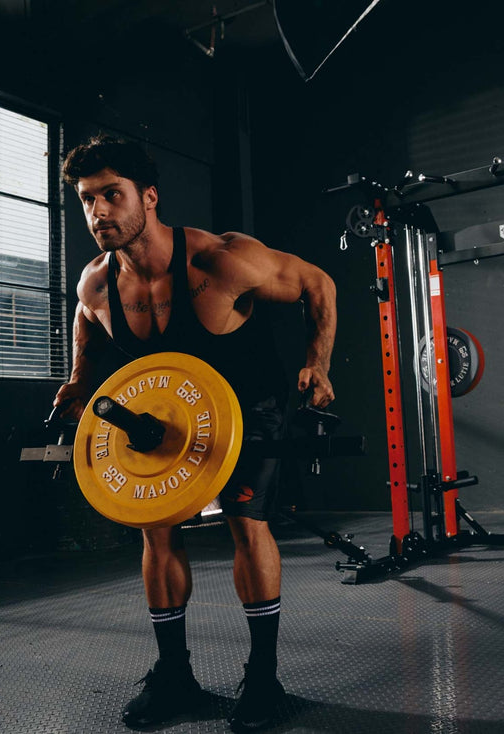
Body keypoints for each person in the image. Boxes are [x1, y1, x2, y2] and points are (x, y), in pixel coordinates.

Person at [53, 134, 336, 732]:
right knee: (155, 533)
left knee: (246, 523)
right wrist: (79, 379)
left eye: (112, 195)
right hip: (168, 414)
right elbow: (83, 317)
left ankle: (262, 677)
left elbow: (318, 284)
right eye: (87, 200)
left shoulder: (219, 260)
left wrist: (320, 361)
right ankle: (176, 676)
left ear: (148, 197)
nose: (98, 212)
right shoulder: (96, 283)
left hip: (248, 407)